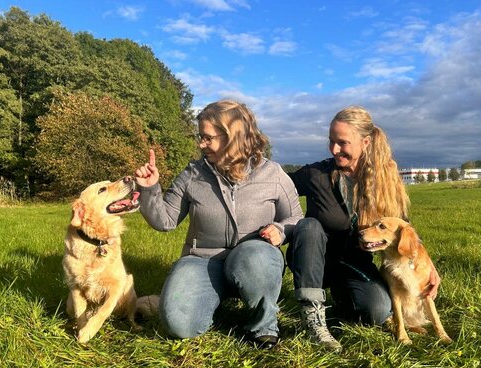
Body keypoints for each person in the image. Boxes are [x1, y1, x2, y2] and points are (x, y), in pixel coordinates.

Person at [135, 100, 303, 349]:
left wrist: (280, 230)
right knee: (177, 324)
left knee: (254, 256)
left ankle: (264, 327)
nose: (201, 144)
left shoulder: (274, 174)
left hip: (255, 259)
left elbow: (297, 219)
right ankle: (208, 302)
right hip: (202, 260)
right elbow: (165, 220)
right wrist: (149, 190)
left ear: (233, 137)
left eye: (207, 138)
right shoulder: (192, 174)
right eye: (200, 137)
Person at [287, 106, 440, 353]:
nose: (334, 149)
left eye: (342, 143)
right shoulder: (316, 174)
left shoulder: (385, 181)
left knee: (378, 310)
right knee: (310, 225)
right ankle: (312, 317)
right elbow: (276, 186)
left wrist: (428, 264)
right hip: (312, 258)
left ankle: (342, 299)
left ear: (365, 142)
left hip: (352, 262)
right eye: (331, 142)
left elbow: (402, 228)